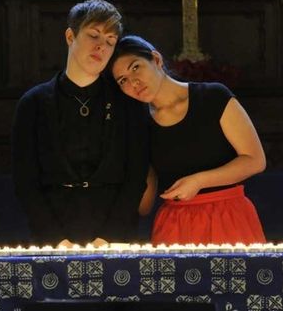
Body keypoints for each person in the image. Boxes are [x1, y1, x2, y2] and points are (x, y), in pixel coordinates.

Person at [11, 0, 149, 248]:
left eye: (109, 41)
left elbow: (136, 176)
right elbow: (25, 180)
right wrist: (55, 239)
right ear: (70, 36)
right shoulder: (34, 103)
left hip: (116, 231)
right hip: (52, 231)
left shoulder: (128, 103)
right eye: (93, 35)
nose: (101, 47)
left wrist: (109, 237)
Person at [110, 35, 266, 245]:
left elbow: (255, 160)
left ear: (156, 60)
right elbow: (145, 200)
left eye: (135, 67)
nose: (133, 82)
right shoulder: (139, 123)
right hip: (175, 223)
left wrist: (198, 181)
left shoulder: (213, 96)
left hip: (228, 215)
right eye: (123, 80)